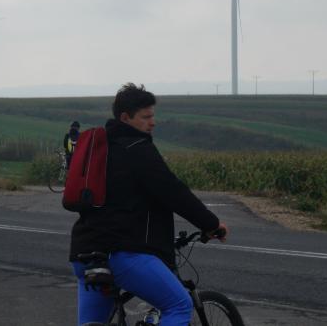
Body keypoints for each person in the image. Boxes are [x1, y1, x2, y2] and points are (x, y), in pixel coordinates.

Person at [69, 83, 228, 326]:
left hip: (85, 254)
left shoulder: (100, 150)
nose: (152, 122)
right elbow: (173, 192)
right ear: (125, 118)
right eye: (146, 117)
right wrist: (212, 224)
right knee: (179, 305)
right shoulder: (137, 149)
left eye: (153, 116)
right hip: (122, 254)